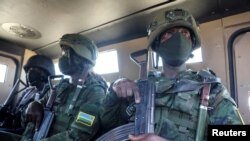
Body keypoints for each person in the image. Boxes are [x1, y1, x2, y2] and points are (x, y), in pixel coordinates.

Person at [101, 9, 244, 141]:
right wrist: (114, 90)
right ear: (157, 43)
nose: (178, 38)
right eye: (169, 33)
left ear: (192, 42)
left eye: (185, 32)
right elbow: (108, 124)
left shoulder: (211, 90)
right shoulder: (139, 88)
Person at [23, 33, 108, 141]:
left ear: (81, 57)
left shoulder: (95, 93)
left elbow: (77, 136)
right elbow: (29, 119)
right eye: (62, 52)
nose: (62, 58)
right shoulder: (60, 87)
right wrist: (33, 104)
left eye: (66, 53)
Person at [0, 55, 55, 134]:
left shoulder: (49, 93)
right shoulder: (28, 91)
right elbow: (17, 112)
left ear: (45, 73)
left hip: (27, 133)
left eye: (33, 70)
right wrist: (8, 115)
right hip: (15, 127)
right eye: (28, 70)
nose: (29, 73)